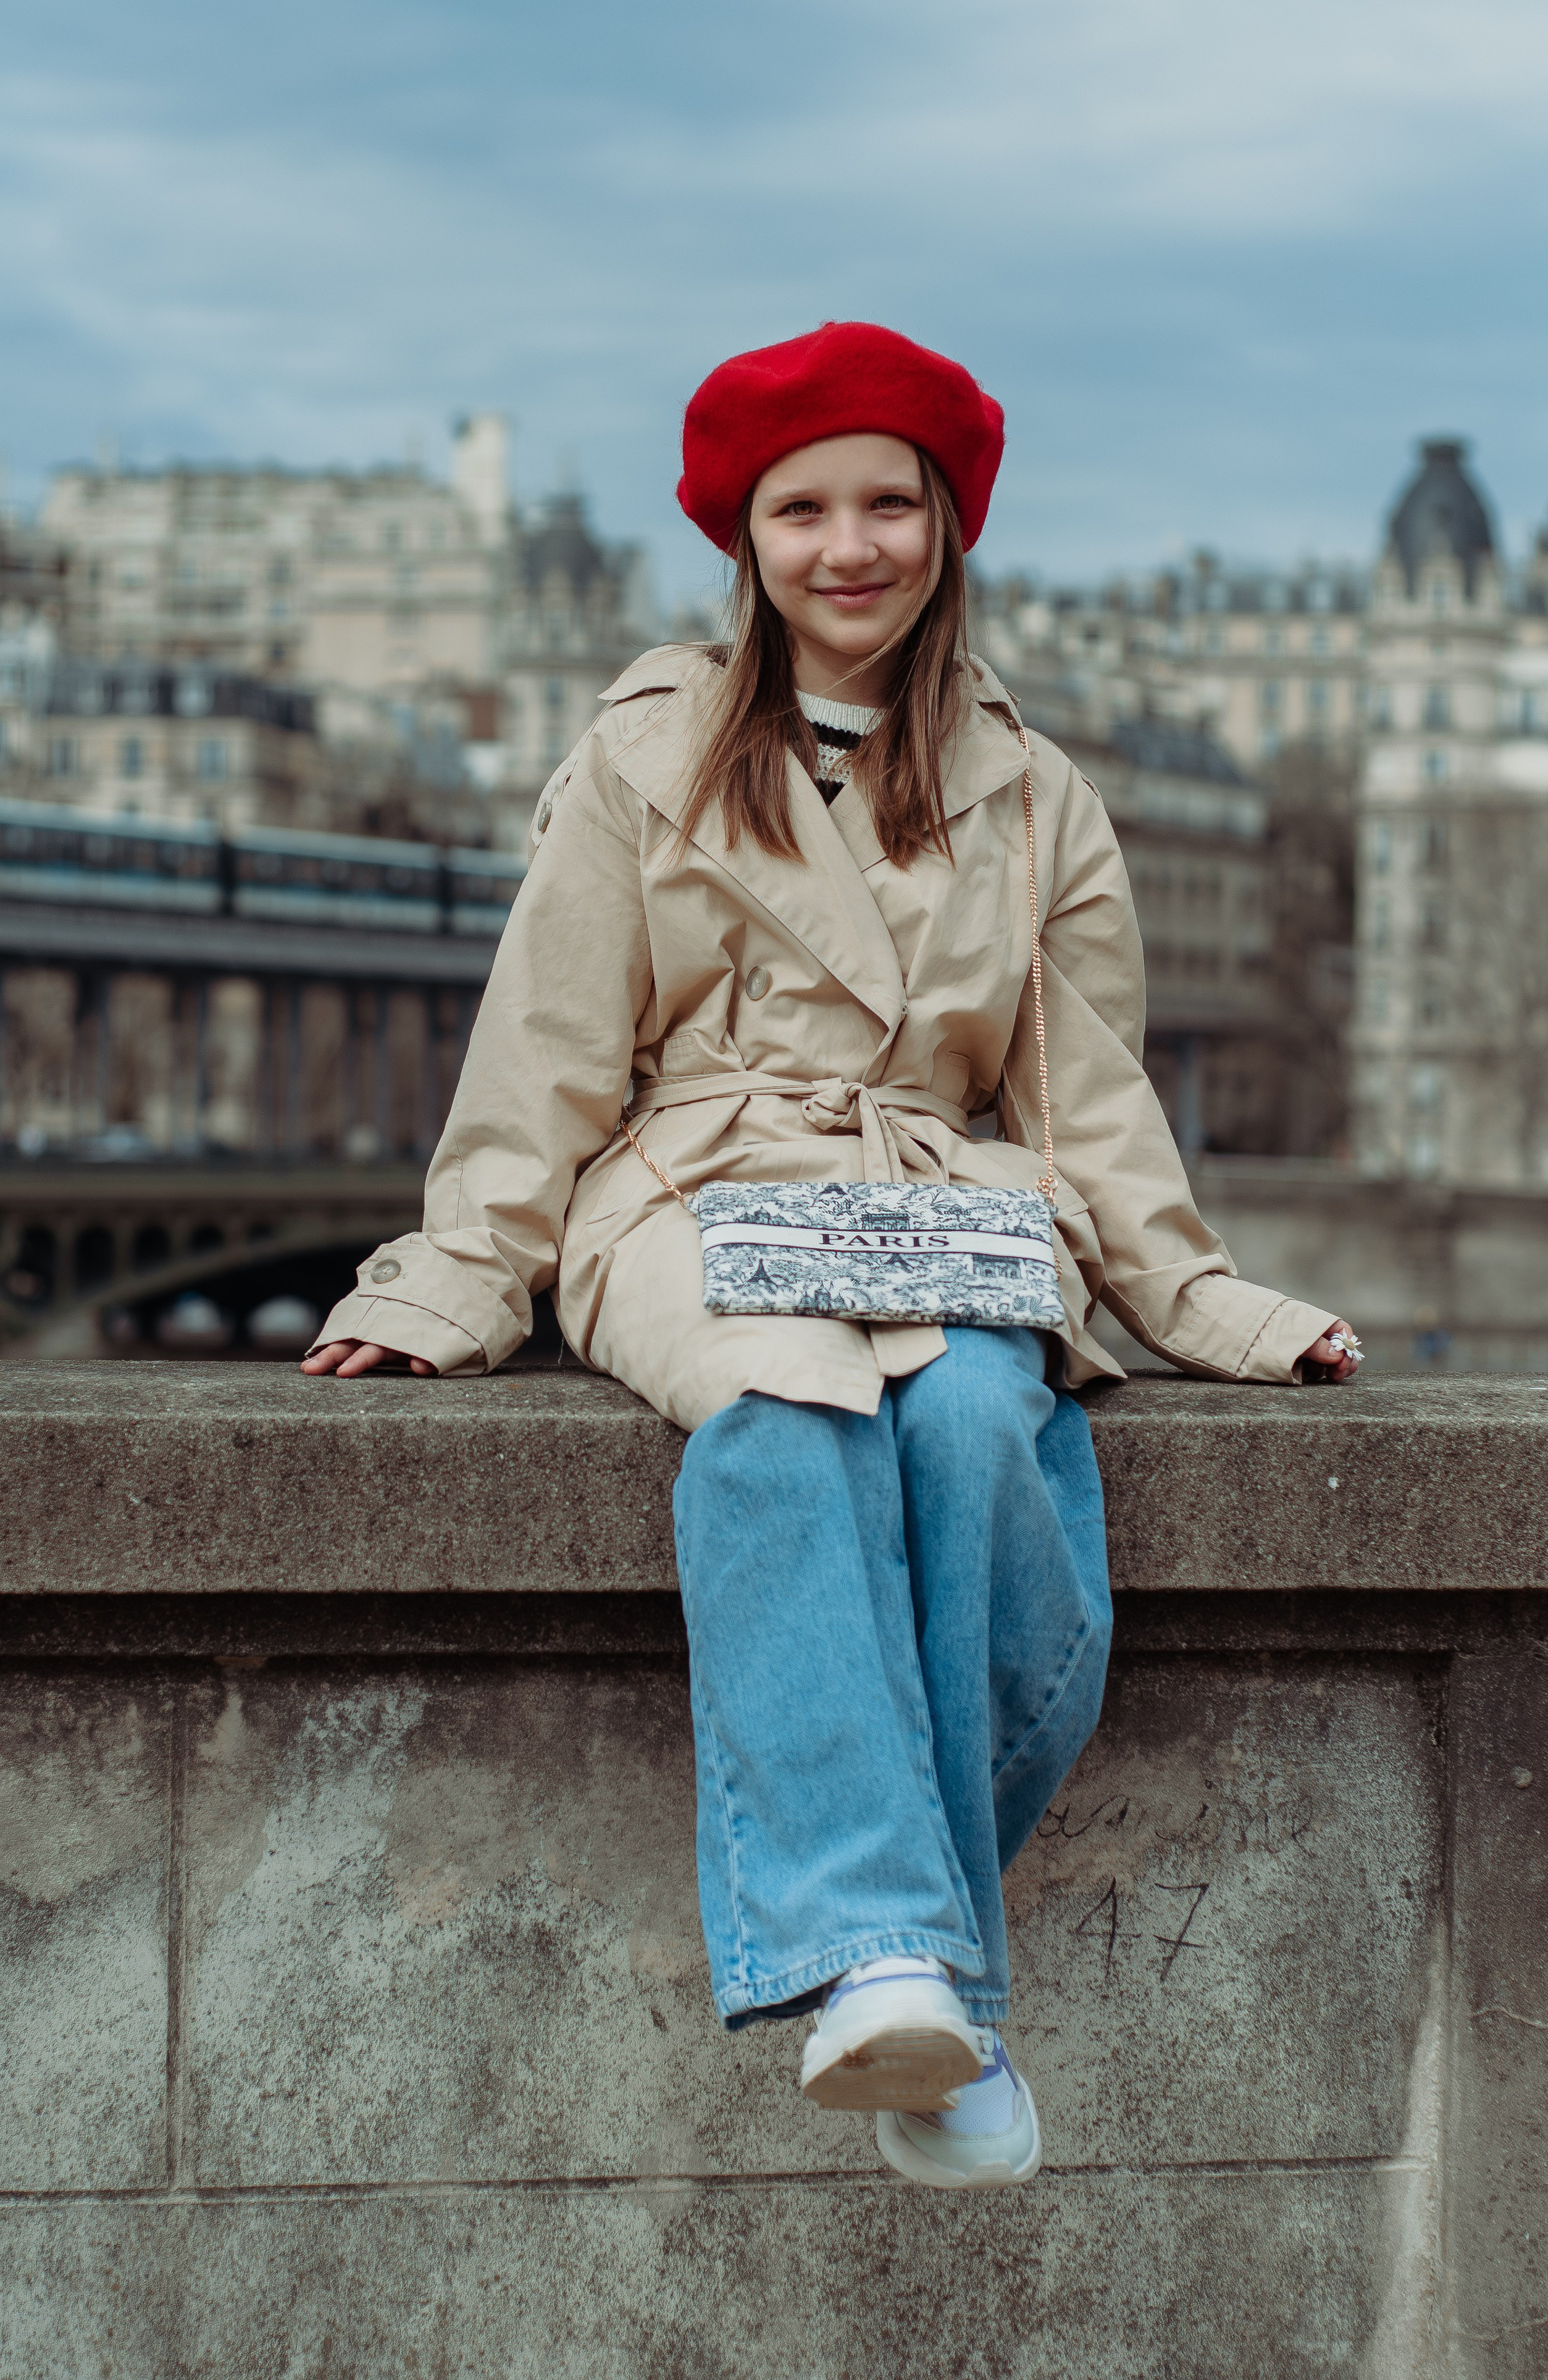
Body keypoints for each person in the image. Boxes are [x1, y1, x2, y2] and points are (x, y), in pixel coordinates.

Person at [304, 322, 1359, 2190]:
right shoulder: (645, 752)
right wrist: (447, 1284)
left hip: (941, 1196)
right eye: (805, 507)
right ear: (749, 536)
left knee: (972, 1440)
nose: (848, 544)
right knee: (784, 1428)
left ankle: (900, 1971)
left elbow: (1087, 1094)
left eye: (889, 502)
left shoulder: (1040, 794)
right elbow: (547, 1047)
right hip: (692, 1189)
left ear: (950, 529)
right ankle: (894, 1960)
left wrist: (1213, 1304)